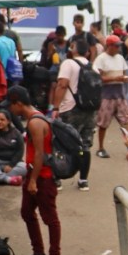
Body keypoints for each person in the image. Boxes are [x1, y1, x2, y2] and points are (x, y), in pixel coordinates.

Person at [8, 86, 62, 255]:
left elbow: (40, 153)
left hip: (43, 176)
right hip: (34, 174)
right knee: (27, 212)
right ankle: (38, 252)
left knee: (50, 218)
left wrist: (33, 180)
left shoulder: (35, 123)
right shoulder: (34, 118)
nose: (10, 110)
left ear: (19, 103)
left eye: (11, 105)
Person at [51, 36, 97, 190]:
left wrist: (56, 107)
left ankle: (57, 179)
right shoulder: (93, 66)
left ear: (73, 49)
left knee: (63, 143)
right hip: (90, 111)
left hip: (71, 109)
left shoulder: (68, 63)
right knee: (85, 145)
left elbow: (62, 84)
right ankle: (83, 181)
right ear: (88, 53)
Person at [93, 35, 128, 159]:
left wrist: (122, 79)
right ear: (109, 46)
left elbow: (124, 73)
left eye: (119, 46)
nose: (118, 48)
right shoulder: (101, 59)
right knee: (103, 123)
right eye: (116, 45)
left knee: (126, 121)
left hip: (120, 94)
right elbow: (99, 78)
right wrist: (116, 78)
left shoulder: (120, 58)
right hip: (106, 95)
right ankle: (100, 147)